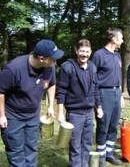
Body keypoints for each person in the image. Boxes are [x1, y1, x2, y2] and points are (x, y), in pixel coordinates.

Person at [0, 39, 64, 167]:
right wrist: (1, 115)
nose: (55, 62)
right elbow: (0, 92)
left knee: (31, 150)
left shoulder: (49, 67)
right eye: (53, 58)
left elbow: (52, 84)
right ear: (42, 58)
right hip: (13, 117)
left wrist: (51, 105)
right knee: (16, 153)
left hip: (33, 116)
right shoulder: (13, 69)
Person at [56, 39, 104, 167]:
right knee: (75, 145)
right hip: (74, 114)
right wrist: (60, 112)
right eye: (82, 51)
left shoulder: (93, 67)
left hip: (89, 113)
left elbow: (95, 89)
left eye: (87, 52)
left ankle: (84, 164)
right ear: (76, 50)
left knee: (87, 143)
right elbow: (61, 92)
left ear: (91, 52)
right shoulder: (67, 67)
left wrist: (98, 107)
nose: (84, 54)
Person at [91, 28, 125, 167]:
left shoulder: (117, 55)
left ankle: (109, 154)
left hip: (117, 93)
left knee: (113, 125)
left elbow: (119, 77)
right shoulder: (99, 55)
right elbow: (92, 78)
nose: (122, 41)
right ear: (114, 39)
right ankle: (101, 156)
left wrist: (121, 94)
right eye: (121, 38)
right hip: (104, 94)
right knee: (103, 125)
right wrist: (96, 102)